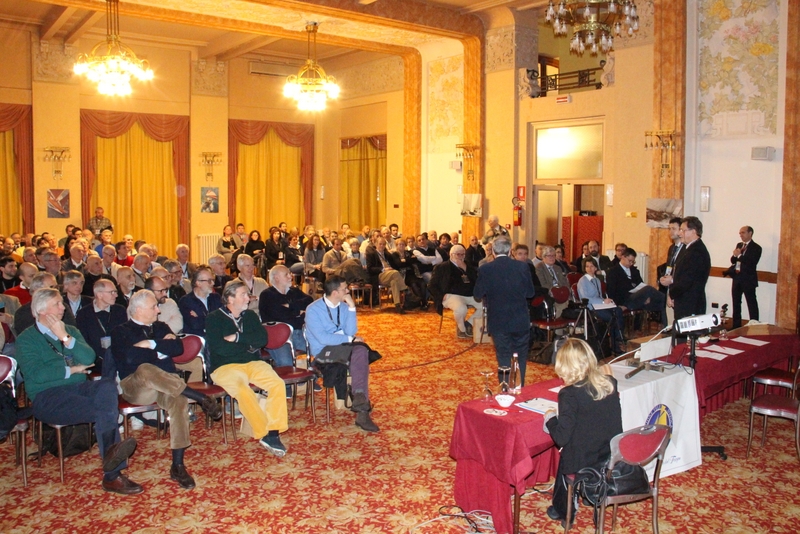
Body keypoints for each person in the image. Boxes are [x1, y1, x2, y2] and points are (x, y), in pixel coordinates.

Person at [16, 288, 142, 495]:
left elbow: (89, 357)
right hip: (47, 396)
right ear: (42, 311)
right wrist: (71, 369)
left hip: (79, 387)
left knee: (107, 386)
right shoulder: (26, 339)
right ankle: (112, 475)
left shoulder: (69, 330)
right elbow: (37, 374)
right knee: (106, 409)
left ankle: (111, 459)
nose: (63, 308)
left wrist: (65, 337)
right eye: (57, 304)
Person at [112, 290, 222, 490]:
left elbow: (178, 348)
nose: (158, 310)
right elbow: (129, 359)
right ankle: (200, 398)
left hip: (166, 385)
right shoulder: (121, 330)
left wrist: (150, 344)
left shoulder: (159, 327)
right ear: (138, 310)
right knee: (146, 369)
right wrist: (162, 349)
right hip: (136, 387)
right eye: (153, 307)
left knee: (179, 401)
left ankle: (177, 465)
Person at [543, 338, 623, 525]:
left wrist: (550, 419)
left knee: (567, 453)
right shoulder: (609, 382)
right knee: (580, 441)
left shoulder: (569, 394)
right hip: (609, 455)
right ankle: (589, 493)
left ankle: (564, 511)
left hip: (583, 461)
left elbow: (561, 438)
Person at [205, 281, 289, 456]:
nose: (248, 298)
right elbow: (218, 348)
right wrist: (248, 345)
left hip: (252, 362)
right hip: (224, 366)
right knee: (243, 390)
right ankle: (264, 432)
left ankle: (274, 432)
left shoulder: (250, 315)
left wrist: (236, 338)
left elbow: (261, 340)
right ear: (230, 298)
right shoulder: (214, 318)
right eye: (243, 294)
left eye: (248, 294)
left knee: (277, 384)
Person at [305, 275, 379, 432]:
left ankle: (360, 403)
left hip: (343, 348)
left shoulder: (344, 307)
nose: (347, 291)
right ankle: (361, 404)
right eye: (344, 289)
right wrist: (350, 339)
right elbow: (323, 338)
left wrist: (352, 307)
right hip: (323, 352)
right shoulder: (313, 310)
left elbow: (351, 331)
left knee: (360, 349)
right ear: (334, 292)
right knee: (360, 349)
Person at [473, 236, 535, 385]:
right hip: (520, 319)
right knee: (520, 355)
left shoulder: (485, 269)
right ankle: (519, 386)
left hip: (498, 320)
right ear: (510, 252)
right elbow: (530, 293)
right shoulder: (522, 267)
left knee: (503, 355)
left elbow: (477, 295)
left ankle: (505, 388)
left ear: (493, 251)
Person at [260, 265, 314, 397]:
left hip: (297, 333)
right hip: (277, 338)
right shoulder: (267, 295)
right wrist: (300, 314)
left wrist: (291, 306)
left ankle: (310, 379)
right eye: (287, 275)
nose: (291, 276)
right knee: (286, 362)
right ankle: (287, 387)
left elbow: (310, 301)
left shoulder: (293, 292)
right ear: (276, 278)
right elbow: (281, 316)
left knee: (319, 349)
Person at [660, 216, 711, 322]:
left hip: (690, 302)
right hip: (686, 301)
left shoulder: (696, 252)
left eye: (683, 230)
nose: (679, 233)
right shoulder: (691, 249)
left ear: (693, 231)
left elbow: (686, 280)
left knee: (686, 337)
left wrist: (671, 293)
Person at [430, 244, 483, 338]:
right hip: (452, 295)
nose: (461, 257)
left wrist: (465, 268)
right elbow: (431, 285)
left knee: (486, 306)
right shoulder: (441, 267)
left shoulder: (467, 265)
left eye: (463, 254)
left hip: (471, 295)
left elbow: (477, 279)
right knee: (461, 309)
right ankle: (461, 329)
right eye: (459, 254)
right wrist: (441, 296)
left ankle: (468, 324)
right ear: (451, 255)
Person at [76, 279, 127, 374]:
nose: (116, 295)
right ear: (99, 294)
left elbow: (125, 337)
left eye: (115, 292)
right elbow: (84, 341)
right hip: (95, 360)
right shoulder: (84, 314)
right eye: (112, 292)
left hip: (118, 358)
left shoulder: (120, 311)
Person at [606, 247, 666, 326]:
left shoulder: (634, 271)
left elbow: (641, 285)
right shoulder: (613, 271)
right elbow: (611, 290)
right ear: (623, 257)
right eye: (630, 261)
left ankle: (667, 328)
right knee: (649, 289)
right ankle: (669, 298)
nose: (631, 263)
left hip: (637, 299)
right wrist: (617, 305)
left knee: (662, 304)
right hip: (624, 301)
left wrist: (646, 297)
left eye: (633, 261)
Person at [577, 258, 625, 354]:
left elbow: (599, 295)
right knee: (612, 318)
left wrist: (605, 301)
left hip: (600, 305)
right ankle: (615, 343)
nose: (590, 268)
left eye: (592, 266)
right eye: (587, 266)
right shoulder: (582, 281)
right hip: (591, 307)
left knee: (618, 310)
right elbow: (585, 298)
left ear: (595, 268)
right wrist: (602, 301)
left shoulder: (597, 280)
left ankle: (618, 339)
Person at [727, 226, 762, 329]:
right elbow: (733, 261)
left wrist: (739, 256)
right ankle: (736, 326)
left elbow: (751, 262)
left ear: (750, 233)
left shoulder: (756, 247)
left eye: (743, 232)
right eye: (740, 233)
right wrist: (734, 256)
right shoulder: (739, 245)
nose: (741, 235)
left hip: (748, 279)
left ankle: (755, 325)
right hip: (737, 278)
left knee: (751, 303)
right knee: (736, 303)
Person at [365, 237, 407, 313]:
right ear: (375, 244)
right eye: (380, 244)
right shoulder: (371, 254)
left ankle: (397, 305)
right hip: (379, 275)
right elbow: (370, 269)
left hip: (391, 274)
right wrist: (383, 269)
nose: (382, 246)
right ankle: (404, 289)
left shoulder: (387, 254)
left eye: (384, 244)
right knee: (395, 273)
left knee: (394, 282)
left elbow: (396, 266)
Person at [179, 266, 223, 337]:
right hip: (198, 341)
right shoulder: (186, 301)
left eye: (213, 280)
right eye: (209, 281)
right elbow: (195, 324)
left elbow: (222, 320)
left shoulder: (216, 297)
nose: (213, 283)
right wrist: (213, 320)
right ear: (198, 283)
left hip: (216, 338)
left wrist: (200, 318)